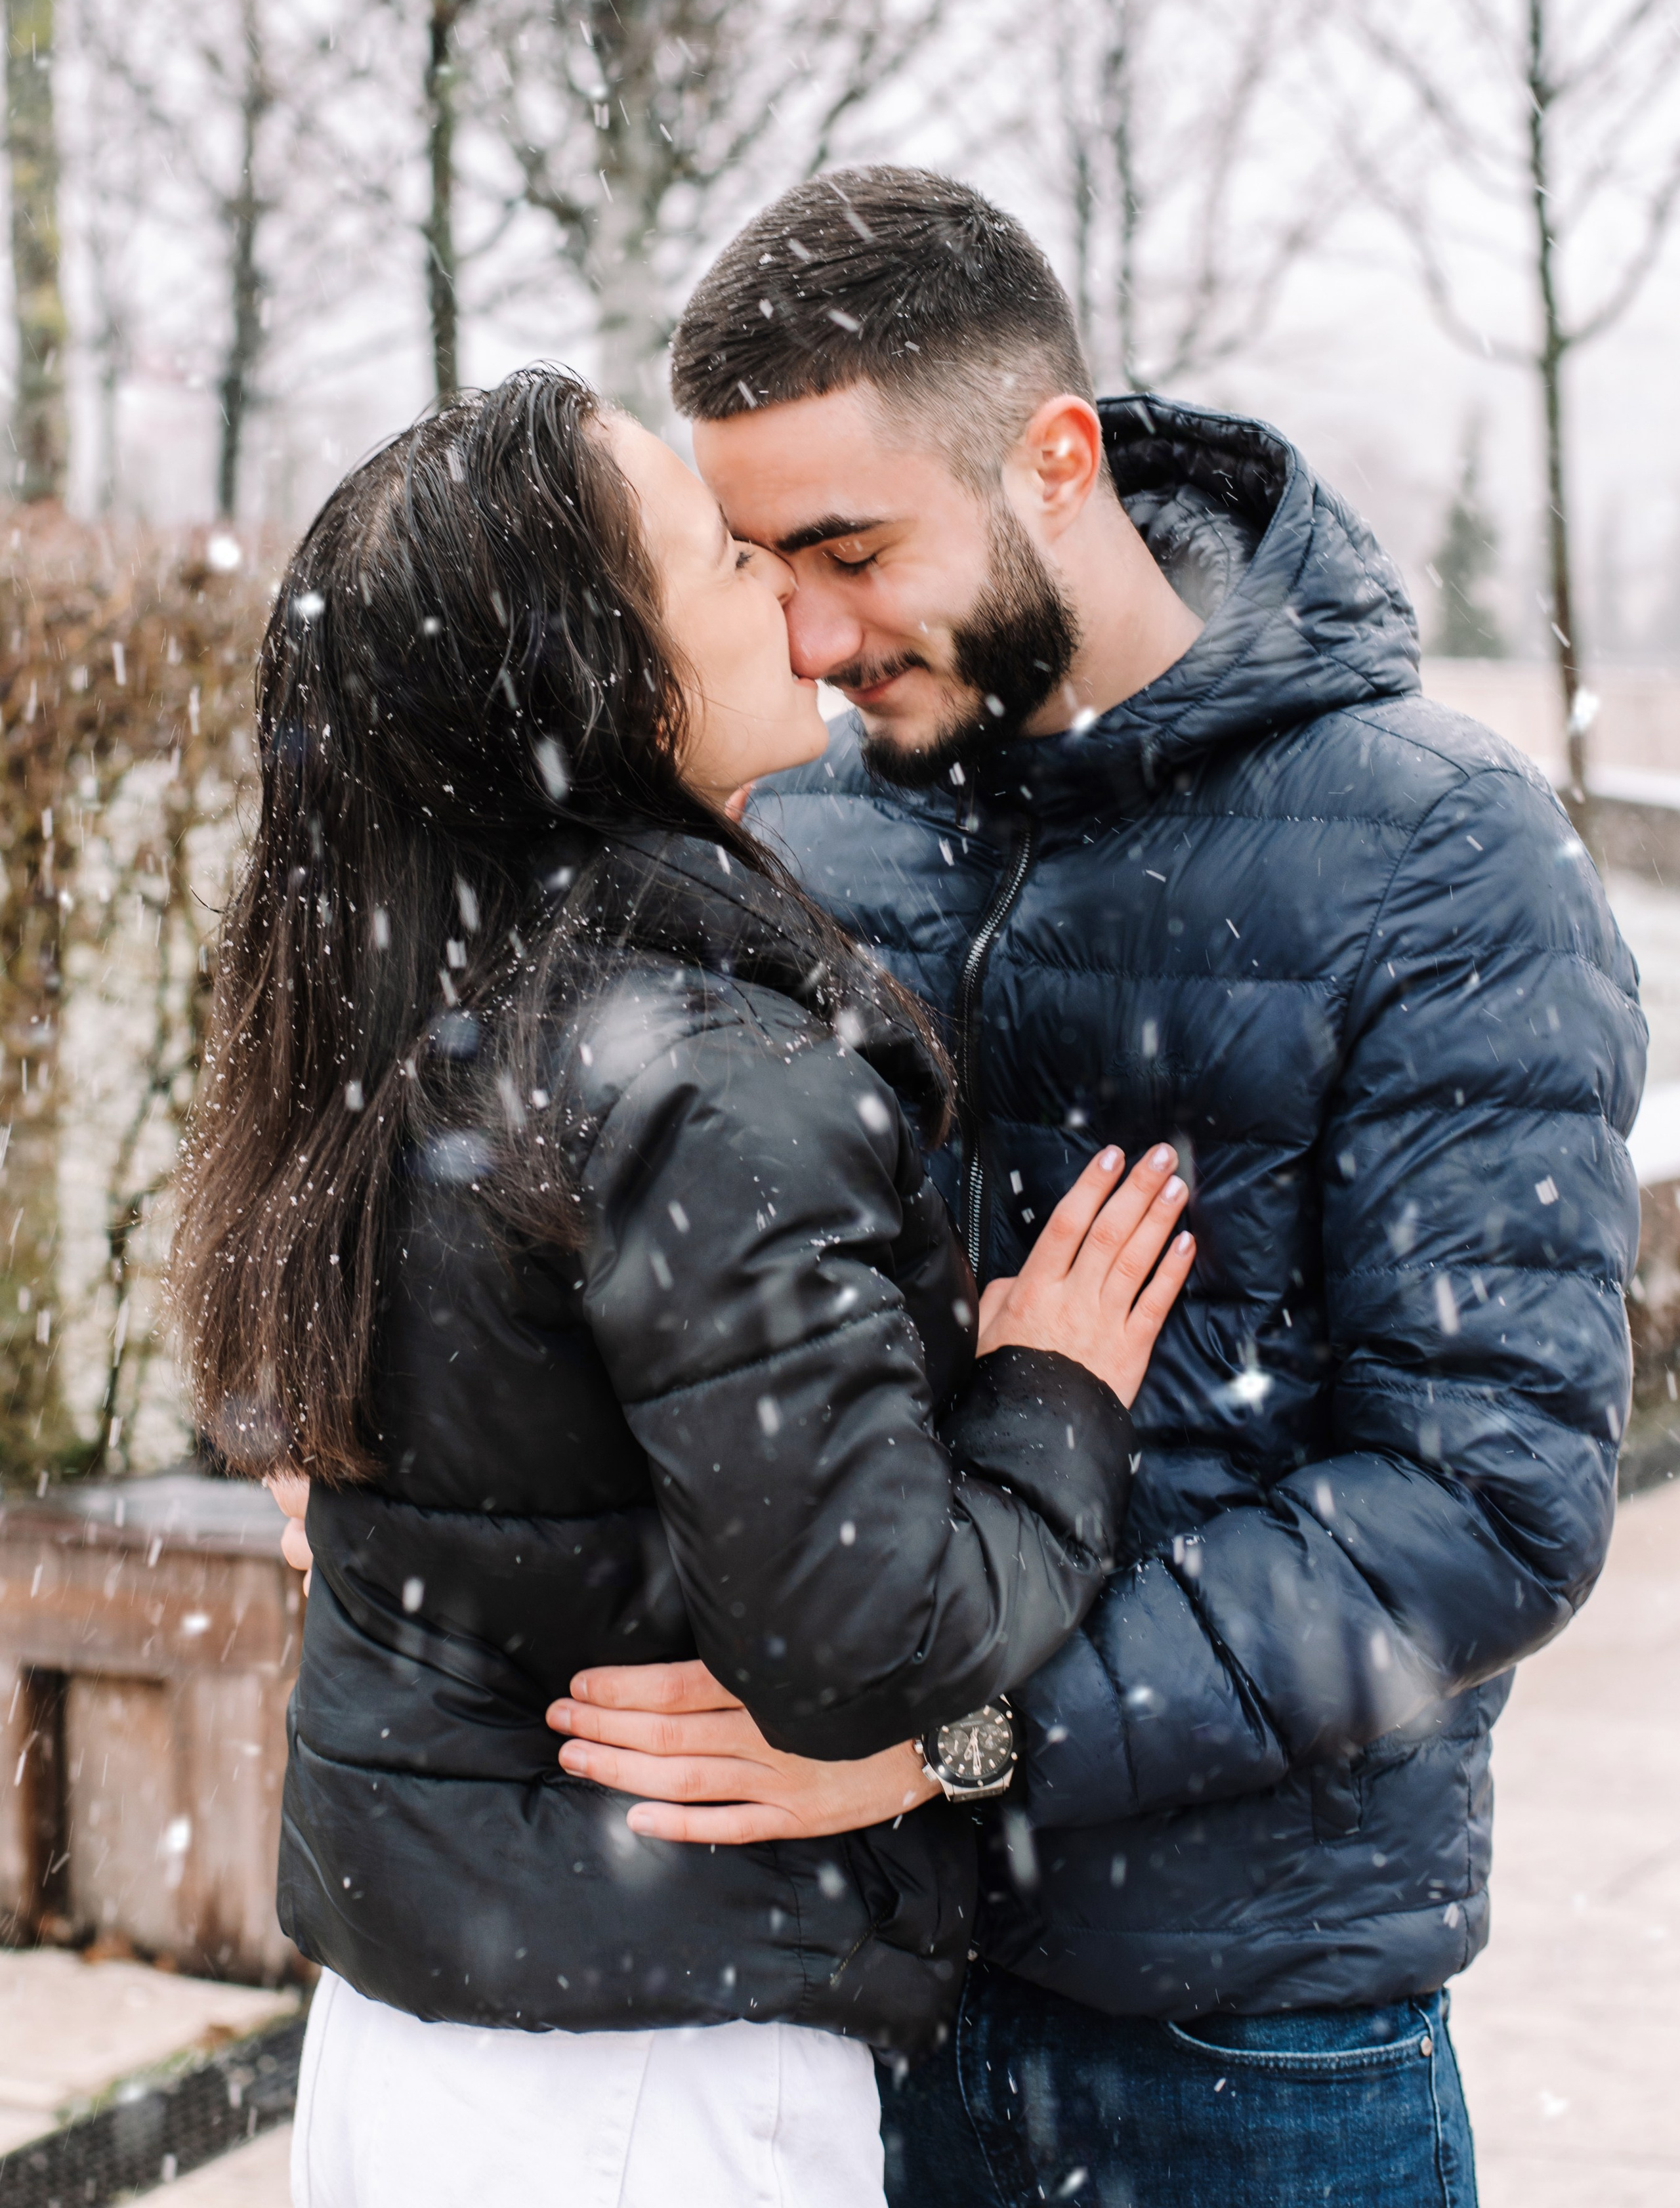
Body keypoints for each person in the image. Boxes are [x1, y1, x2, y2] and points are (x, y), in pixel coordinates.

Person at [555, 167, 1647, 2208]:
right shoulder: (803, 833)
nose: (809, 636)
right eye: (761, 562)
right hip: (833, 2011)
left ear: (1056, 460)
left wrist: (954, 1737)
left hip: (1243, 2052)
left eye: (854, 550)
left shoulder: (1441, 853)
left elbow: (1487, 1503)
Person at [169, 366, 1200, 2208]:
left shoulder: (417, 1011)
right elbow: (866, 1646)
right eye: (723, 560)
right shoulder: (701, 1076)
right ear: (605, 681)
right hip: (649, 2069)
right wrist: (1054, 1398)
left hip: (422, 2031)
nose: (786, 593)